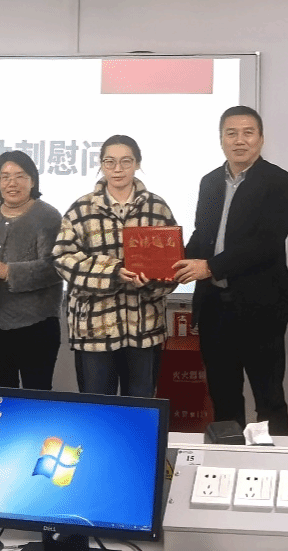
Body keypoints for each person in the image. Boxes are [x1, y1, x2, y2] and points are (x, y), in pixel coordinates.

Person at [174, 106, 288, 435]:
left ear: (261, 139)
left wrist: (210, 266)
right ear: (221, 139)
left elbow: (267, 242)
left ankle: (271, 461)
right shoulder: (210, 182)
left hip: (261, 308)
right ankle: (227, 459)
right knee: (223, 397)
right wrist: (171, 264)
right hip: (215, 308)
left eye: (248, 133)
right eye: (231, 133)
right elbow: (203, 236)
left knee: (268, 398)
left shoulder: (279, 181)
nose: (239, 140)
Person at [54, 134, 178, 397]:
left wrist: (153, 280)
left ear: (137, 164)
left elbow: (173, 264)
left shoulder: (157, 208)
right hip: (94, 328)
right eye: (110, 162)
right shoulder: (81, 209)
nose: (118, 169)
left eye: (126, 161)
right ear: (101, 165)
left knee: (140, 408)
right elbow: (62, 259)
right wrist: (112, 272)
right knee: (98, 409)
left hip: (144, 326)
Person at [0, 150, 63, 390]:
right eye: (5, 177)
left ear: (33, 180)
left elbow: (56, 267)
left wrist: (9, 272)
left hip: (35, 324)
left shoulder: (48, 216)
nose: (12, 183)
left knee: (35, 397)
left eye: (20, 176)